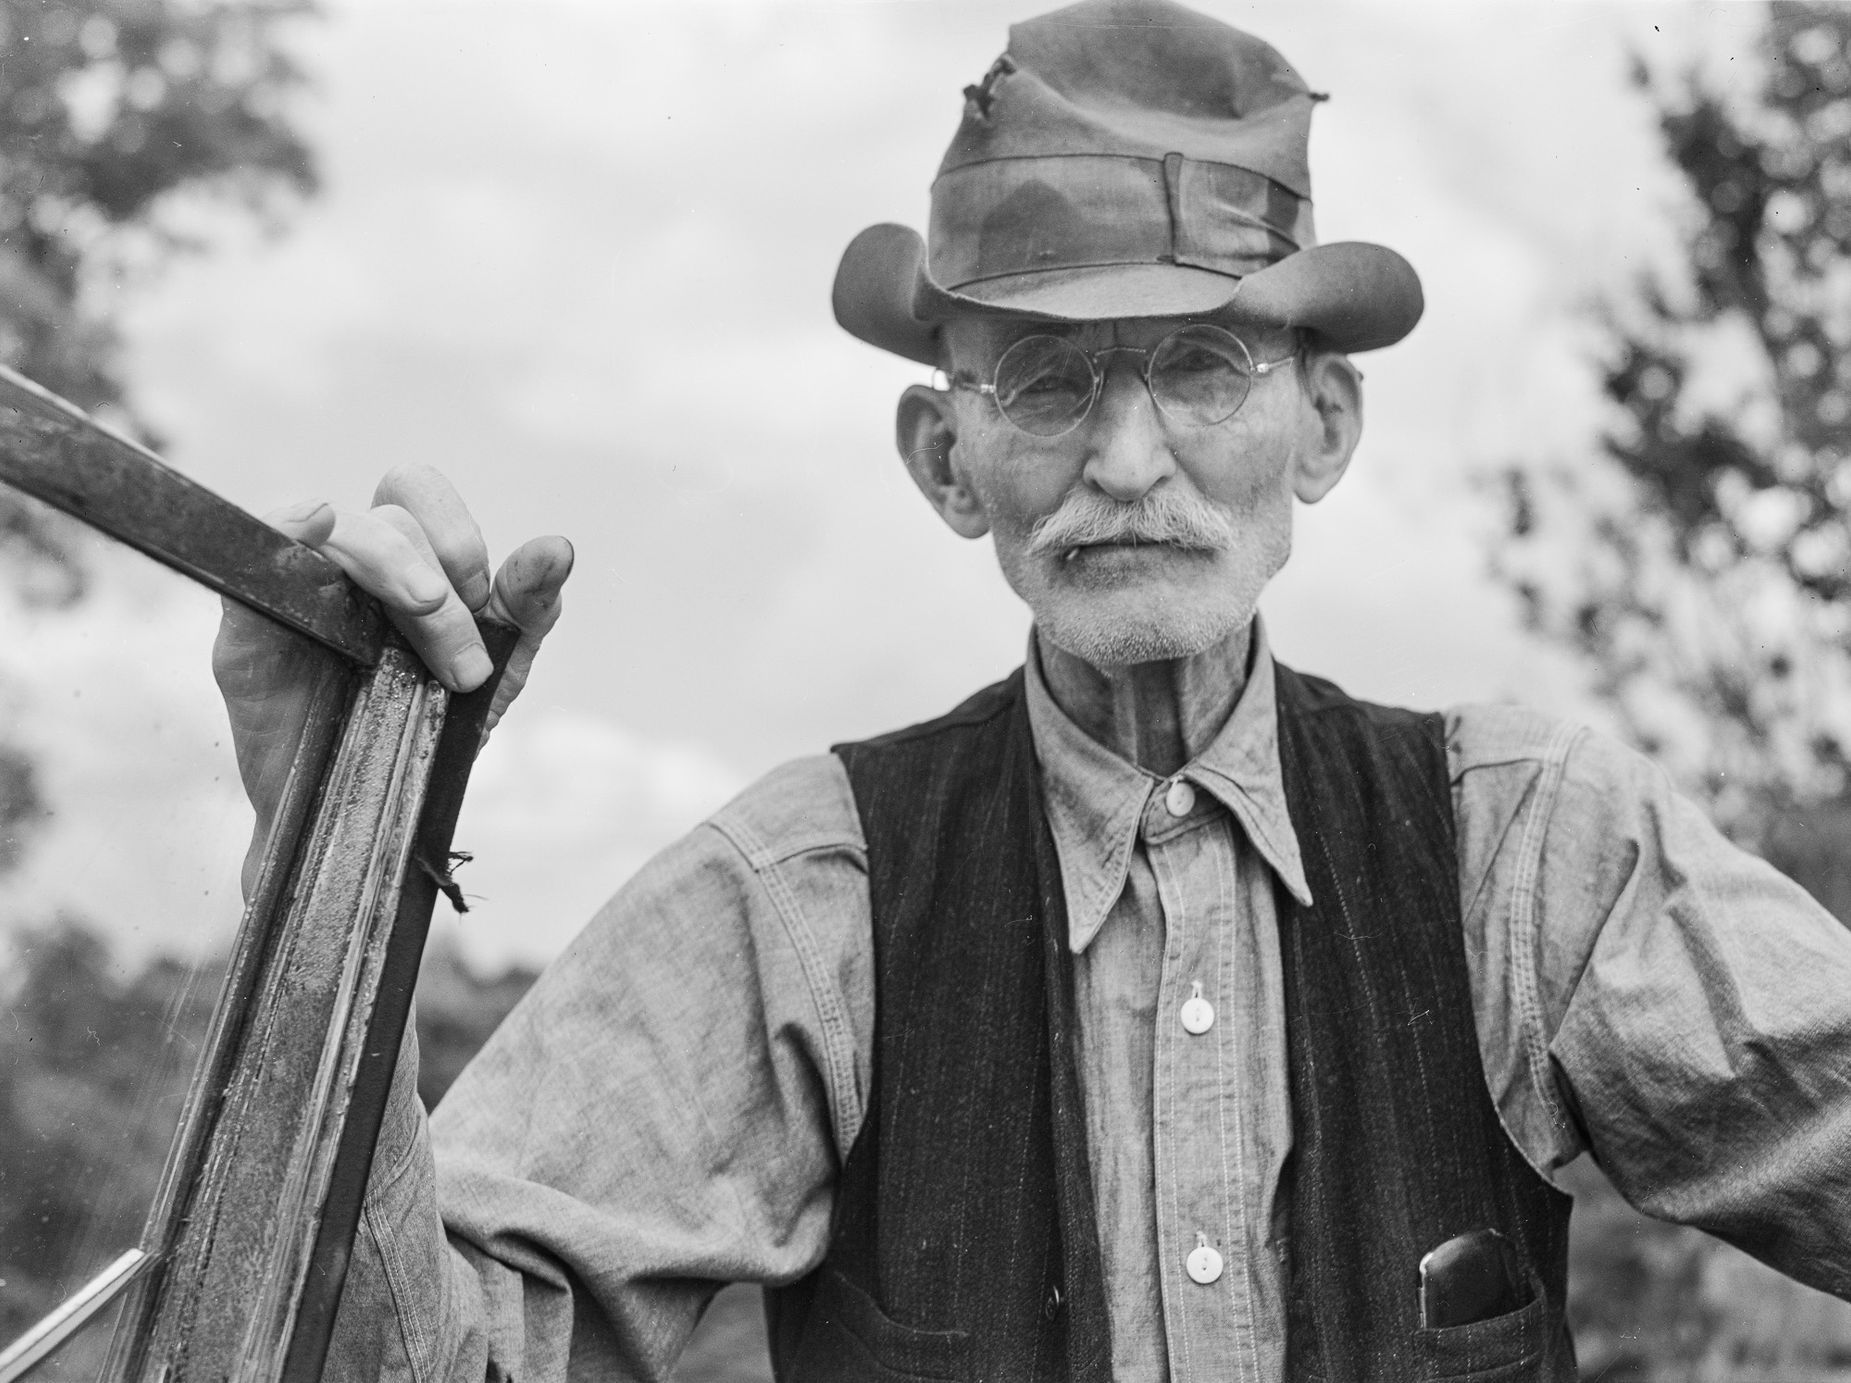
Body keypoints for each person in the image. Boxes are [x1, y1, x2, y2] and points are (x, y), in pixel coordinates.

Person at [216, 2, 1851, 1380]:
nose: (1129, 463)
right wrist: (329, 864)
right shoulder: (805, 895)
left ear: (1326, 427)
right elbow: (431, 1363)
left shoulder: (1525, 844)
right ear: (950, 457)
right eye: (1051, 381)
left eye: (1205, 365)